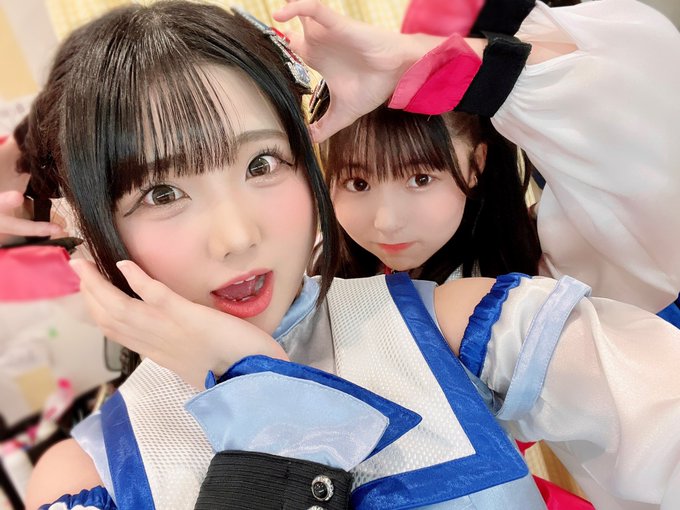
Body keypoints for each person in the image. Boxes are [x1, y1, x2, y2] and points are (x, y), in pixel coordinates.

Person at [18, 1, 680, 509]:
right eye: (162, 192)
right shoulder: (90, 473)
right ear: (82, 221)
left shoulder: (462, 330)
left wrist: (468, 68)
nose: (236, 237)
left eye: (262, 163)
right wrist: (253, 391)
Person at [292, 0, 680, 322]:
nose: (386, 222)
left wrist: (441, 61)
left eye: (420, 179)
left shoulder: (543, 276)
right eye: (357, 183)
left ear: (476, 164)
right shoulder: (315, 274)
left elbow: (637, 75)